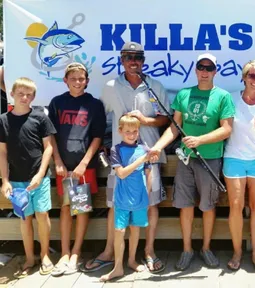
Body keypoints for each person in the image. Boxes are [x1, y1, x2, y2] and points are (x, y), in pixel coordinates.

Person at [82, 41, 170, 274]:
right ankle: (110, 251)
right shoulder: (110, 86)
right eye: (129, 57)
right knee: (115, 205)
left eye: (138, 57)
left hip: (148, 157)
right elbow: (103, 121)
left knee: (151, 205)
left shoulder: (155, 86)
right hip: (119, 158)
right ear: (121, 60)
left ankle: (148, 251)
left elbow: (166, 120)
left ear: (143, 60)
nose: (134, 61)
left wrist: (145, 120)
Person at [149, 53, 235, 271]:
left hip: (211, 159)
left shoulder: (223, 96)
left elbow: (226, 129)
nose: (205, 71)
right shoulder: (184, 94)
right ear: (196, 70)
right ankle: (187, 249)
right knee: (185, 204)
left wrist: (200, 140)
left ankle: (206, 248)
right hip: (185, 159)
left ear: (215, 71)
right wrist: (158, 146)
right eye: (201, 67)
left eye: (209, 68)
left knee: (208, 206)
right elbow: (173, 126)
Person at [48, 63, 106, 276]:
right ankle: (63, 253)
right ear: (65, 80)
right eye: (73, 79)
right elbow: (51, 135)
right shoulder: (57, 103)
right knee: (65, 208)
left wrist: (84, 163)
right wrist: (58, 161)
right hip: (64, 167)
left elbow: (98, 137)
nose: (78, 82)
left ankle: (76, 252)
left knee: (81, 209)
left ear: (87, 81)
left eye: (81, 79)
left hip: (85, 167)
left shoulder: (94, 104)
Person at [223, 60, 255, 273]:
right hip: (233, 157)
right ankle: (237, 252)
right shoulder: (231, 98)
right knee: (235, 206)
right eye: (252, 75)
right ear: (243, 77)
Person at [0, 77, 56, 278]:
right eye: (21, 93)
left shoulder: (40, 118)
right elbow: (3, 152)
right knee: (25, 220)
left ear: (34, 96)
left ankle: (45, 255)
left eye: (29, 94)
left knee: (42, 216)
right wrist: (5, 181)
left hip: (39, 179)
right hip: (16, 181)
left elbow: (48, 147)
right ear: (12, 94)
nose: (25, 97)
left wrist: (41, 175)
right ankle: (30, 257)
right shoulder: (3, 120)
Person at [100, 115, 152, 281]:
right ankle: (117, 267)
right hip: (122, 198)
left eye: (135, 131)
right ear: (120, 131)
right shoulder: (116, 149)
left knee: (135, 229)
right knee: (119, 231)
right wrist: (142, 160)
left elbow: (149, 173)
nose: (131, 134)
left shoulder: (144, 149)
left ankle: (131, 260)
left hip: (139, 198)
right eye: (127, 131)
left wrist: (148, 195)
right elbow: (121, 173)